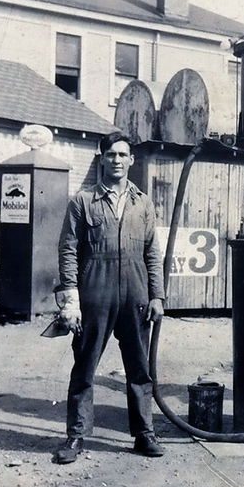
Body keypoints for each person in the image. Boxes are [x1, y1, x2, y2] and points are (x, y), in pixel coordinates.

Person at [52, 131, 166, 464]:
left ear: (132, 160)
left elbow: (151, 251)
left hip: (135, 291)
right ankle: (75, 436)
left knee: (140, 367)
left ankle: (144, 433)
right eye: (111, 154)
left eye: (122, 155)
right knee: (85, 366)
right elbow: (68, 249)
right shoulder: (82, 201)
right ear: (101, 158)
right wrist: (71, 300)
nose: (116, 160)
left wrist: (157, 295)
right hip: (95, 290)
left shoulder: (142, 201)